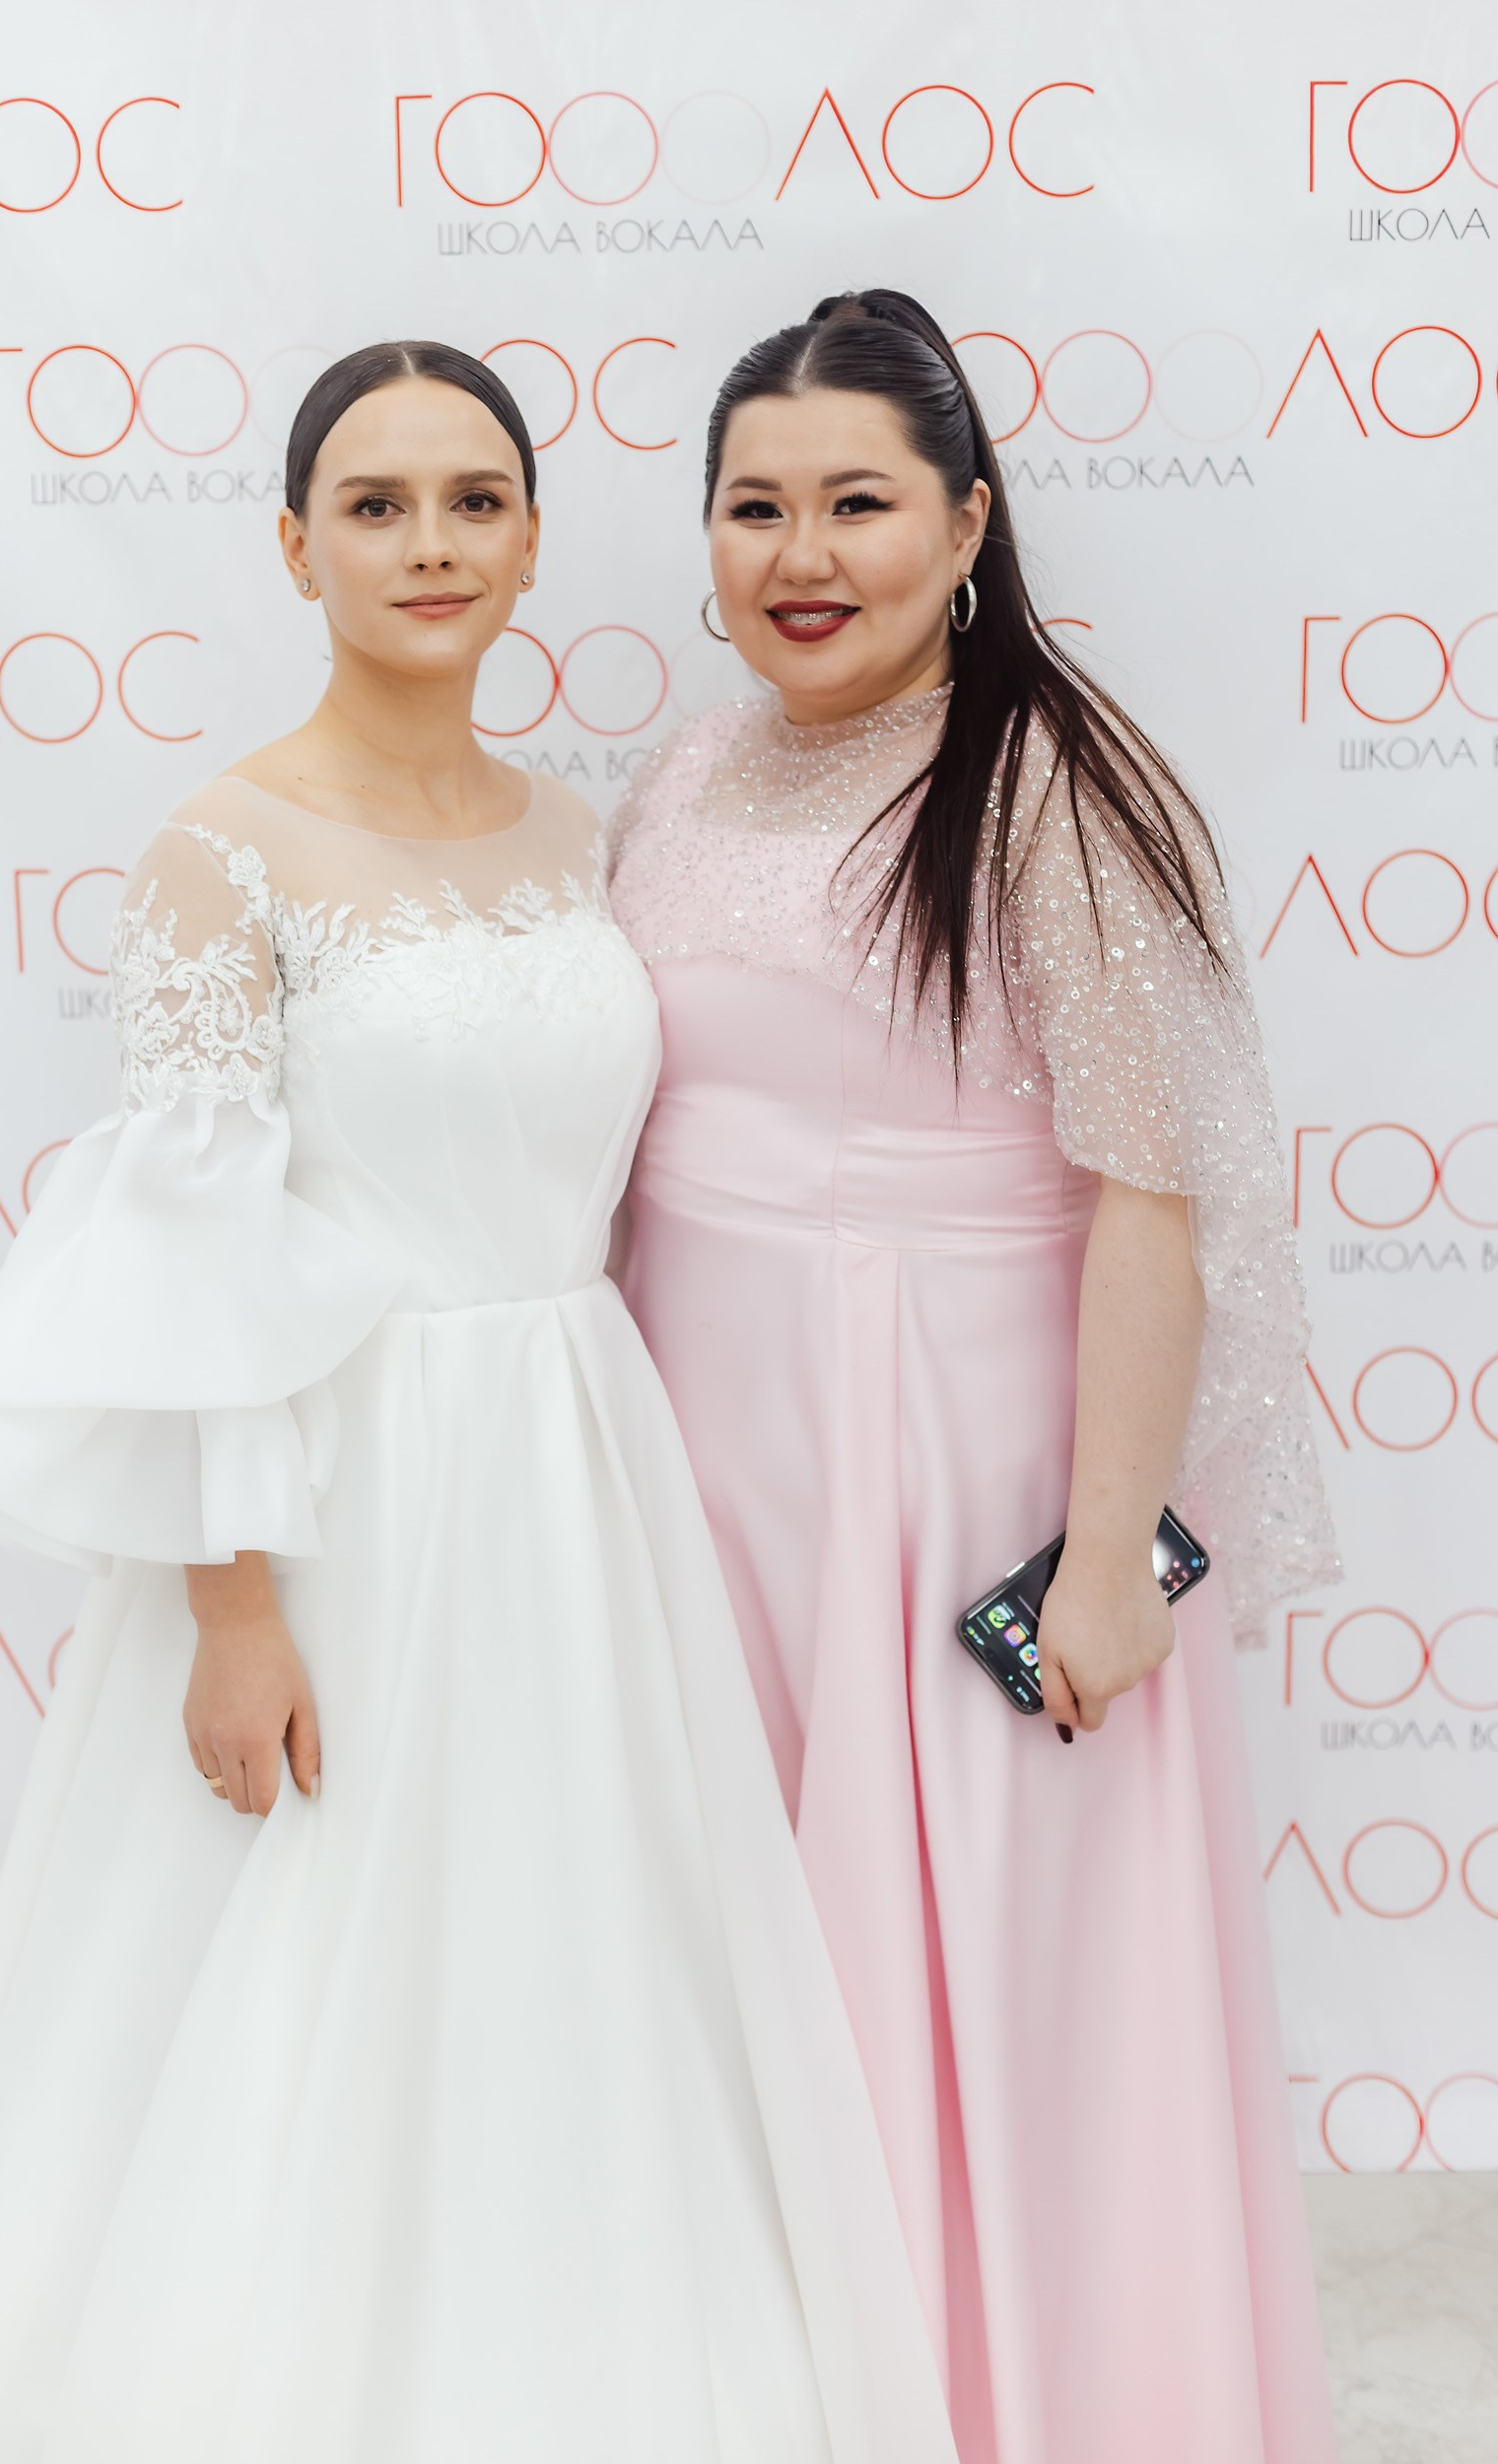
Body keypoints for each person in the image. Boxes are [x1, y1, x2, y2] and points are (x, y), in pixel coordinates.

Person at [0, 341, 957, 2464]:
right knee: (313, 1961)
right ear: (296, 548)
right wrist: (231, 1605)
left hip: (579, 1473)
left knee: (577, 1959)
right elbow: (186, 1262)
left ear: (534, 543)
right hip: (344, 1492)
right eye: (375, 505)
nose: (430, 544)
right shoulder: (222, 851)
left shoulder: (581, 826)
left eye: (474, 500)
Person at [609, 290, 1341, 2464]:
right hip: (717, 1452)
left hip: (957, 1461)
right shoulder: (688, 767)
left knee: (999, 1975)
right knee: (752, 1968)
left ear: (966, 522)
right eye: (753, 505)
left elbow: (1151, 1198)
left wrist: (1105, 1558)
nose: (799, 553)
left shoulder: (1055, 789)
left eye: (857, 501)